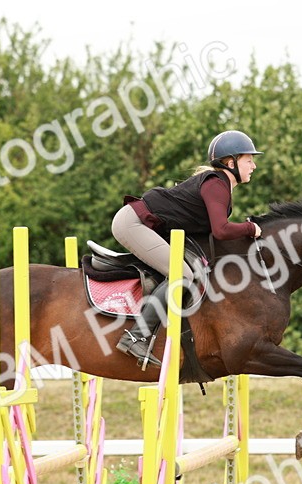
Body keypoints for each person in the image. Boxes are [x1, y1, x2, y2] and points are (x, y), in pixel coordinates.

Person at [111, 130, 264, 367]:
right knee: (183, 274)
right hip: (132, 223)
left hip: (142, 224)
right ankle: (135, 336)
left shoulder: (219, 185)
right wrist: (250, 228)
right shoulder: (216, 185)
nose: (254, 165)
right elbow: (221, 230)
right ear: (231, 162)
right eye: (249, 159)